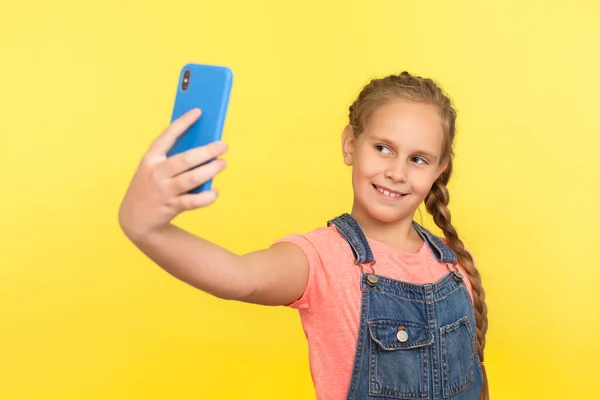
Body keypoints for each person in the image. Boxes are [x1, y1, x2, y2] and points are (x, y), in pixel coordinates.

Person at [118, 71, 490, 400]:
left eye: (418, 159)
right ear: (350, 144)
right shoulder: (323, 259)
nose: (396, 171)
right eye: (383, 148)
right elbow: (241, 277)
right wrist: (145, 228)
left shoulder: (454, 263)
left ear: (440, 169)